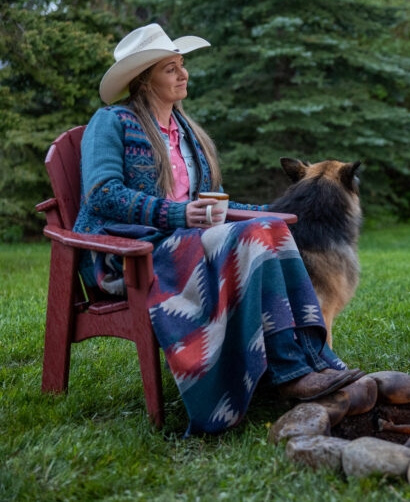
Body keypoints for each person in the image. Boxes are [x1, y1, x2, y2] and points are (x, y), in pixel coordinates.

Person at [73, 24, 363, 434]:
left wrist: (272, 212)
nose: (183, 74)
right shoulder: (112, 121)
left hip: (191, 241)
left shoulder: (186, 131)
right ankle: (290, 371)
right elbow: (102, 195)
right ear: (143, 79)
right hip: (134, 252)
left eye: (182, 65)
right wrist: (178, 216)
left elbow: (213, 202)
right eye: (170, 68)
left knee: (267, 229)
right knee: (253, 236)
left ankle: (313, 360)